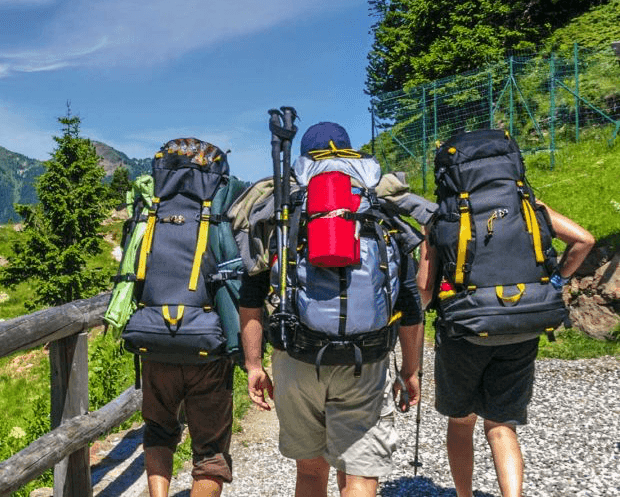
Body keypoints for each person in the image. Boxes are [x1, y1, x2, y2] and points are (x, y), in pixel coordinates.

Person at [237, 122, 423, 497]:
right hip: (366, 359)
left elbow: (251, 297)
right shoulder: (377, 205)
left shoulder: (285, 210)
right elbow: (408, 301)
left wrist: (254, 365)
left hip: (297, 355)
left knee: (309, 471)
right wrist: (411, 369)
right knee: (360, 473)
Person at [418, 200, 594, 497]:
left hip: (464, 330)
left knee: (462, 422)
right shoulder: (526, 203)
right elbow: (584, 240)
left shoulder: (441, 214)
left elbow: (424, 287)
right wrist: (555, 281)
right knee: (501, 426)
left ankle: (464, 495)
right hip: (520, 329)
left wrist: (418, 319)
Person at [141, 358, 233, 497]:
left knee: (158, 431)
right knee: (211, 451)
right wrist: (253, 366)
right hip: (211, 358)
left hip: (157, 352)